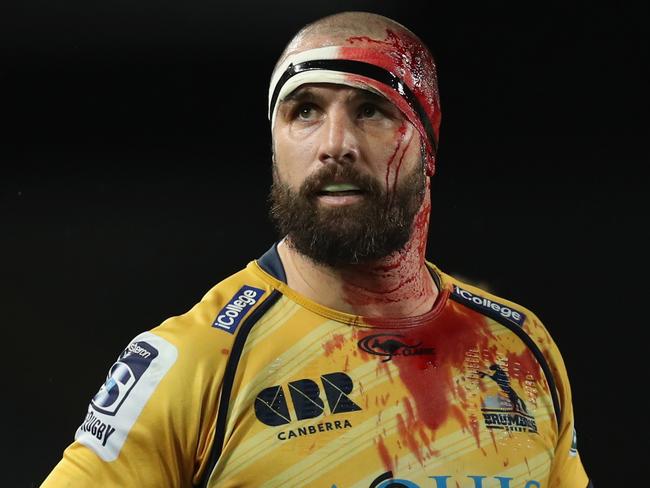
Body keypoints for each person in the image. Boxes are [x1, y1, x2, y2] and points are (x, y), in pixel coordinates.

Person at [42, 11, 593, 488]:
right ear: (275, 145)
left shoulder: (520, 349)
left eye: (371, 111)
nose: (335, 145)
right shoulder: (193, 363)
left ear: (428, 143)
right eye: (304, 110)